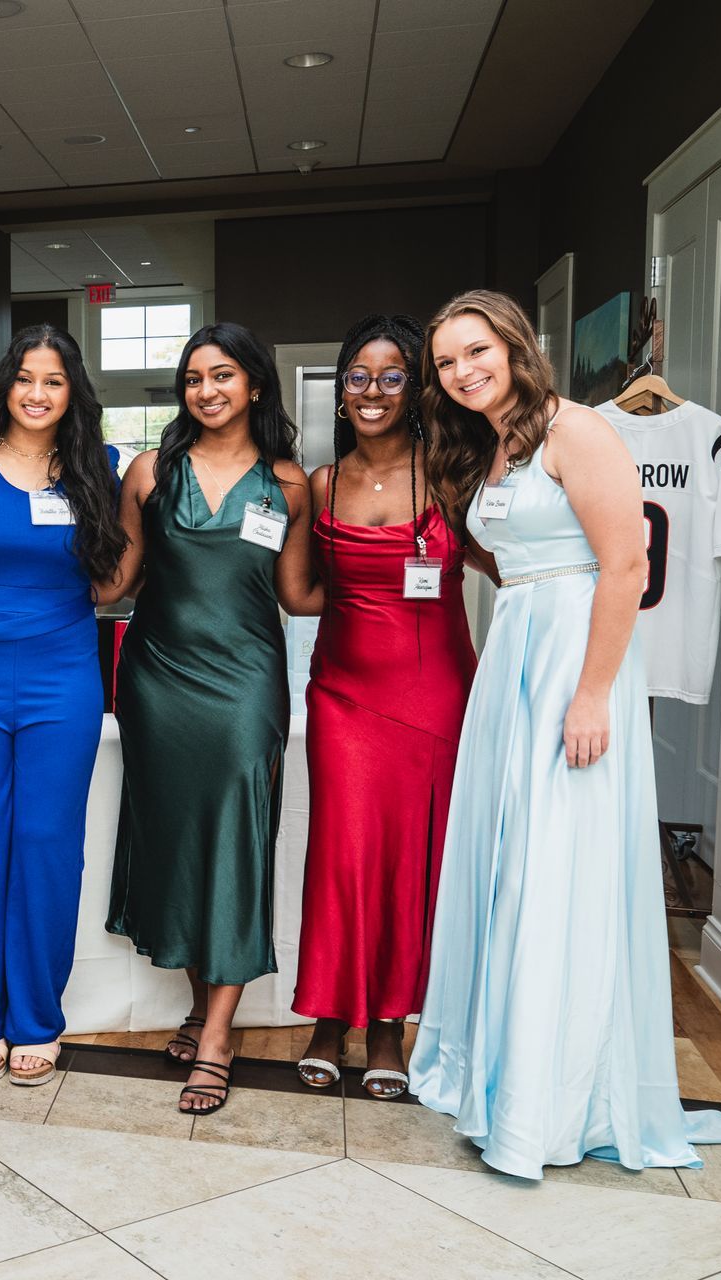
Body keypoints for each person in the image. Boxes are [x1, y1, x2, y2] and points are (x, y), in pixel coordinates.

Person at [408, 289, 721, 1175]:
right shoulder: (488, 446)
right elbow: (501, 551)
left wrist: (594, 696)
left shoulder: (579, 430)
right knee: (507, 866)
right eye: (446, 361)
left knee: (557, 867)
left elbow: (626, 565)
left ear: (515, 345)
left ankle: (550, 1103)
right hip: (516, 653)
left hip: (572, 667)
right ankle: (502, 1078)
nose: (463, 370)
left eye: (476, 350)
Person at [106, 322, 312, 1115]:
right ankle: (205, 1008)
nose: (207, 390)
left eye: (223, 375)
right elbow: (121, 578)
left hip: (246, 684)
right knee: (181, 845)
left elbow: (296, 594)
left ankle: (218, 1036)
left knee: (235, 841)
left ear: (255, 385)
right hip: (158, 681)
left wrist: (392, 593)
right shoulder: (149, 471)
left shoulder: (288, 483)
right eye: (194, 377)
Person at [288, 315, 479, 1098]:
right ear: (341, 392)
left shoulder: (449, 475)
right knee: (341, 854)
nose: (372, 390)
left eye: (392, 375)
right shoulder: (321, 485)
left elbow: (511, 561)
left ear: (416, 389)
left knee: (410, 862)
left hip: (432, 695)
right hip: (342, 693)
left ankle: (390, 1028)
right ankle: (329, 1019)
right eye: (358, 377)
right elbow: (299, 595)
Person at [0, 324, 125, 1089]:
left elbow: (110, 573)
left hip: (62, 671)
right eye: (25, 378)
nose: (37, 393)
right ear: (5, 384)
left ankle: (36, 1017)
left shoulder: (96, 470)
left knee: (46, 843)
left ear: (71, 391)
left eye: (54, 380)